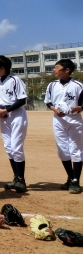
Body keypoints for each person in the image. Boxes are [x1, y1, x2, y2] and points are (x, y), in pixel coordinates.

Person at [0, 55, 29, 193]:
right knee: (8, 147)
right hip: (4, 116)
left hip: (16, 115)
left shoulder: (15, 80)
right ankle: (16, 178)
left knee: (16, 147)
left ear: (2, 68)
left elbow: (22, 100)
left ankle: (21, 180)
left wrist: (6, 110)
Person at [44, 59, 83, 194]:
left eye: (57, 68)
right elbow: (48, 102)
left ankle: (75, 181)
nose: (54, 70)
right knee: (62, 151)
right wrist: (55, 110)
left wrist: (79, 107)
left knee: (75, 150)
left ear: (67, 70)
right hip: (58, 120)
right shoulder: (52, 85)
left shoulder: (78, 85)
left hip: (74, 120)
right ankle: (70, 178)